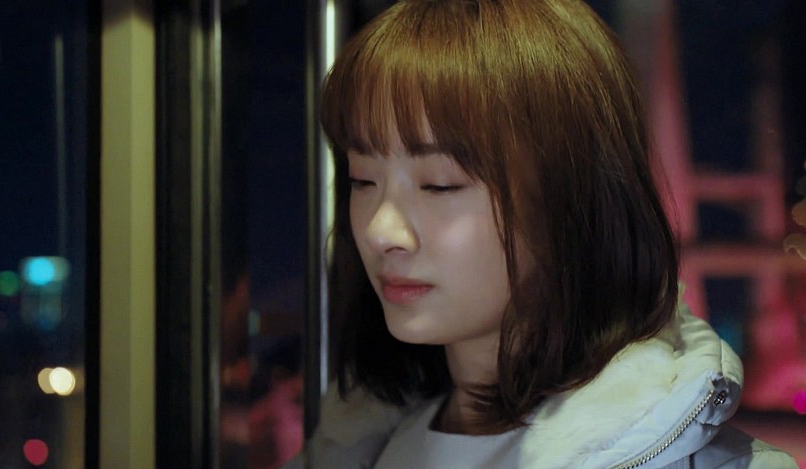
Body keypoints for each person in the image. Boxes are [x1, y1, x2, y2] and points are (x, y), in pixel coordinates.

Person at [291, 0, 799, 467]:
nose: (381, 231)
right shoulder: (352, 451)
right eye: (362, 180)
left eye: (440, 184)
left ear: (570, 196)